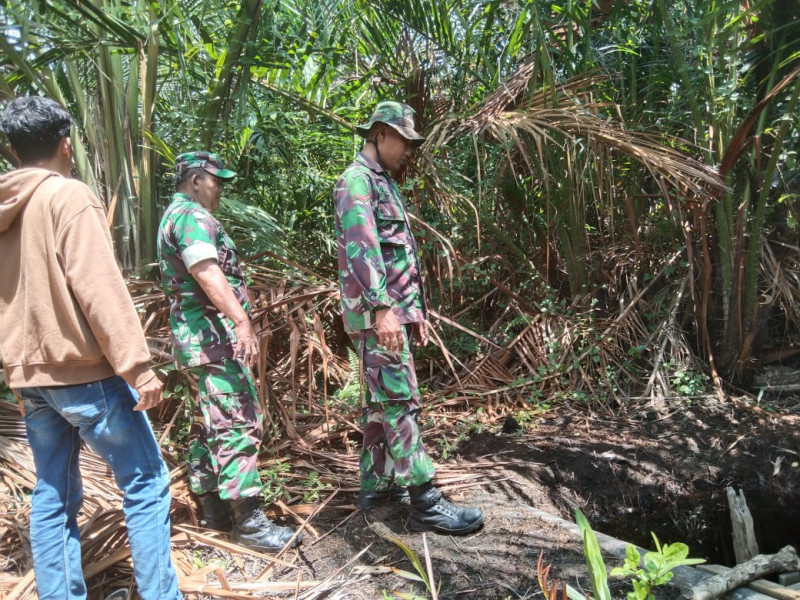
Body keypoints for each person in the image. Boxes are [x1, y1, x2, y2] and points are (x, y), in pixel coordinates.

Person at [0, 96, 182, 599]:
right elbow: (99, 287)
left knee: (53, 493)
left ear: (12, 150)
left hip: (31, 380)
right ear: (65, 143)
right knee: (145, 481)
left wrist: (15, 371)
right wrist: (138, 368)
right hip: (88, 376)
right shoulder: (68, 196)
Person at [334, 100, 484, 534]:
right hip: (376, 315)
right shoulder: (357, 182)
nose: (408, 150)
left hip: (387, 313)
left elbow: (395, 253)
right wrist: (383, 309)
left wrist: (410, 311)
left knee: (382, 406)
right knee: (400, 401)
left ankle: (378, 487)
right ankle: (426, 501)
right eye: (403, 140)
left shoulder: (381, 181)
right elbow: (363, 250)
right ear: (380, 134)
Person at [157, 151, 302, 552]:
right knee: (236, 422)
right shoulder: (191, 217)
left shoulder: (173, 215)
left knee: (207, 423)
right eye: (216, 179)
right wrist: (241, 321)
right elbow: (205, 269)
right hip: (213, 340)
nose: (220, 187)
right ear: (196, 179)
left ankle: (214, 510)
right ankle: (250, 523)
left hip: (195, 344)